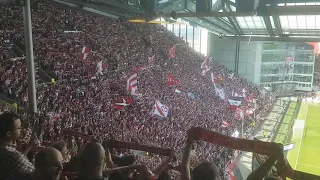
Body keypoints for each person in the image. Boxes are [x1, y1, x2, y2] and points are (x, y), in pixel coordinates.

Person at [0, 112, 35, 179]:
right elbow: (37, 174)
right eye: (19, 128)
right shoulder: (14, 156)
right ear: (9, 133)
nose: (22, 129)